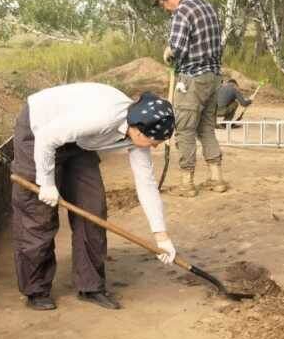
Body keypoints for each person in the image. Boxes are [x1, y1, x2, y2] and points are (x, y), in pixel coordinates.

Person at [11, 82, 177, 311]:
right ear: (139, 130)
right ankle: (36, 289)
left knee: (92, 208)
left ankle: (91, 286)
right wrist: (47, 183)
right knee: (38, 215)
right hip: (40, 128)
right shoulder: (103, 118)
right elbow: (48, 137)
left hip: (79, 140)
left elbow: (146, 184)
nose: (155, 147)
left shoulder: (137, 132)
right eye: (154, 141)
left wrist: (162, 236)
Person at [152, 0, 227, 196]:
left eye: (163, 3)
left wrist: (168, 54)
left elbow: (177, 51)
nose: (165, 9)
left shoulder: (181, 13)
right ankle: (217, 179)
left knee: (184, 131)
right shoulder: (206, 6)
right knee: (206, 129)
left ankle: (187, 183)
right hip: (213, 78)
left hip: (192, 81)